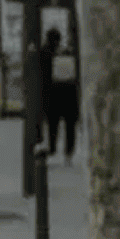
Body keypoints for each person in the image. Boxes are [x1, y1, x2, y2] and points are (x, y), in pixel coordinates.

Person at [43, 27, 80, 162]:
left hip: (54, 95)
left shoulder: (45, 53)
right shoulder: (68, 53)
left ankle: (52, 148)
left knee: (53, 124)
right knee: (70, 126)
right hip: (69, 94)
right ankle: (69, 152)